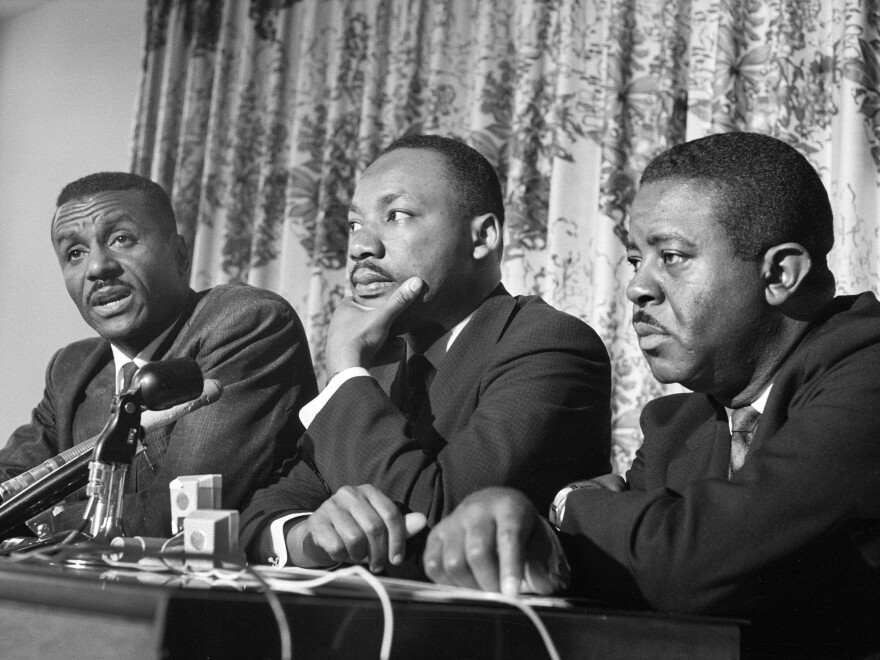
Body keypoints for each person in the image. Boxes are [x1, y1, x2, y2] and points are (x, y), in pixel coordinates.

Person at [422, 132, 880, 657]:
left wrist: (566, 505)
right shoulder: (677, 424)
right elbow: (627, 564)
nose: (638, 287)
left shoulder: (869, 371)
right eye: (636, 259)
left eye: (673, 256)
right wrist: (514, 525)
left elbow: (691, 564)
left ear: (780, 273)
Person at [239, 134, 612, 574]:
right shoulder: (377, 367)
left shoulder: (549, 345)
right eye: (355, 225)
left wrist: (343, 367)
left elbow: (442, 524)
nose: (360, 247)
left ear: (482, 237)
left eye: (396, 215)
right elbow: (265, 510)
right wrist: (308, 537)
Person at [0, 172, 317, 538]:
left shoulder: (245, 323)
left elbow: (178, 512)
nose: (98, 267)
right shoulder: (71, 369)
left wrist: (37, 518)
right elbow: (13, 478)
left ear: (180, 256)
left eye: (121, 239)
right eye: (75, 253)